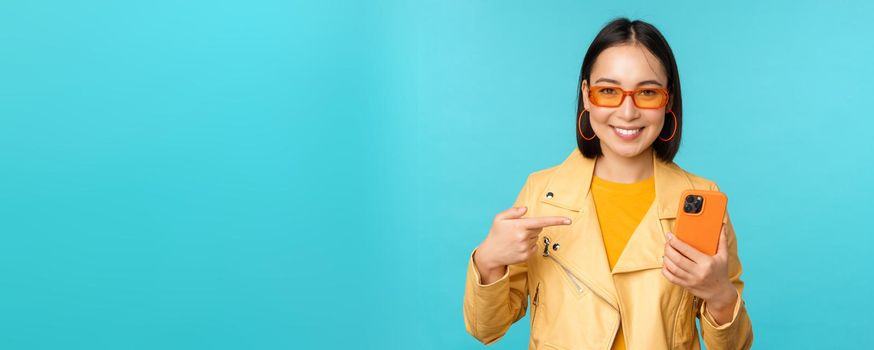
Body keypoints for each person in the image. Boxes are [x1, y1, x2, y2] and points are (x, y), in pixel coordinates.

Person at [462, 18, 753, 350]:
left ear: (667, 100)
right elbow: (486, 328)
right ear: (587, 96)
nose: (627, 112)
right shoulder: (542, 193)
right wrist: (488, 261)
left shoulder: (702, 201)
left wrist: (719, 294)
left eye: (647, 92)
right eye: (609, 91)